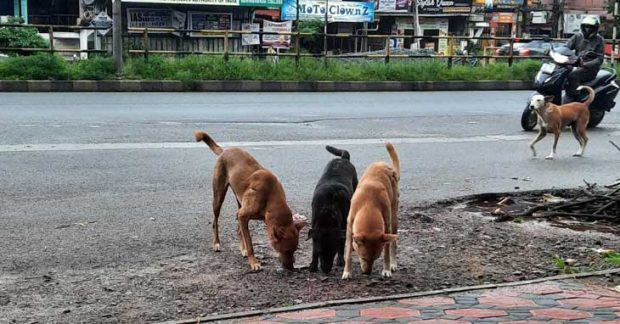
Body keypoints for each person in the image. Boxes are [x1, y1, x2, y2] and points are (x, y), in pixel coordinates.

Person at [565, 16, 604, 102]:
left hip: (590, 69)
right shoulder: (577, 37)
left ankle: (575, 97)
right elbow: (566, 47)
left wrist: (587, 64)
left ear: (595, 28)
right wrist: (553, 52)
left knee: (572, 75)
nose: (587, 29)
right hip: (576, 64)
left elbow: (599, 58)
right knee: (562, 71)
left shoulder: (599, 40)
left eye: (590, 27)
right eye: (586, 26)